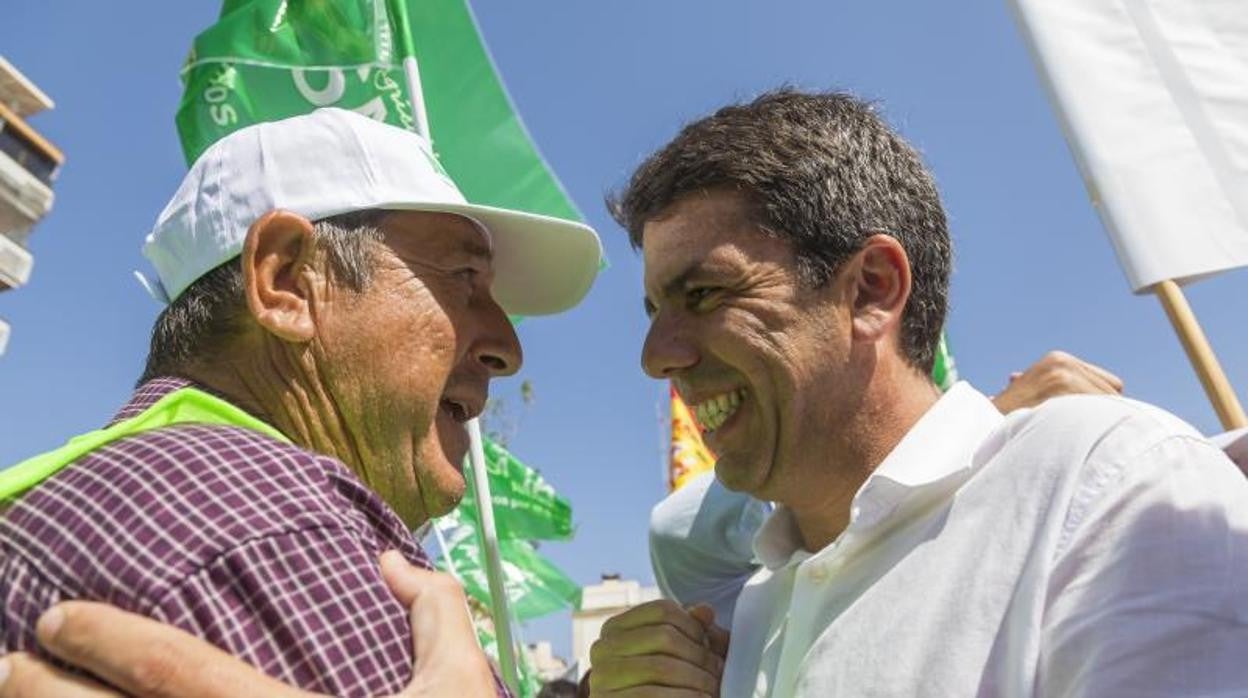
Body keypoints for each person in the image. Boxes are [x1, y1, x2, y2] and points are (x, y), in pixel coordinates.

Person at [584, 89, 1248, 696]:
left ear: (872, 287)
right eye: (653, 312)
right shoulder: (753, 613)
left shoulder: (1106, 484)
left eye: (704, 294)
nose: (656, 358)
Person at [0, 107, 601, 697]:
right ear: (286, 281)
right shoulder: (277, 528)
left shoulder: (71, 498)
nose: (507, 345)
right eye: (462, 275)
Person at [648, 351, 1128, 626]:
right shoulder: (709, 544)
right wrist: (988, 415)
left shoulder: (1115, 469)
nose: (658, 357)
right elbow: (676, 532)